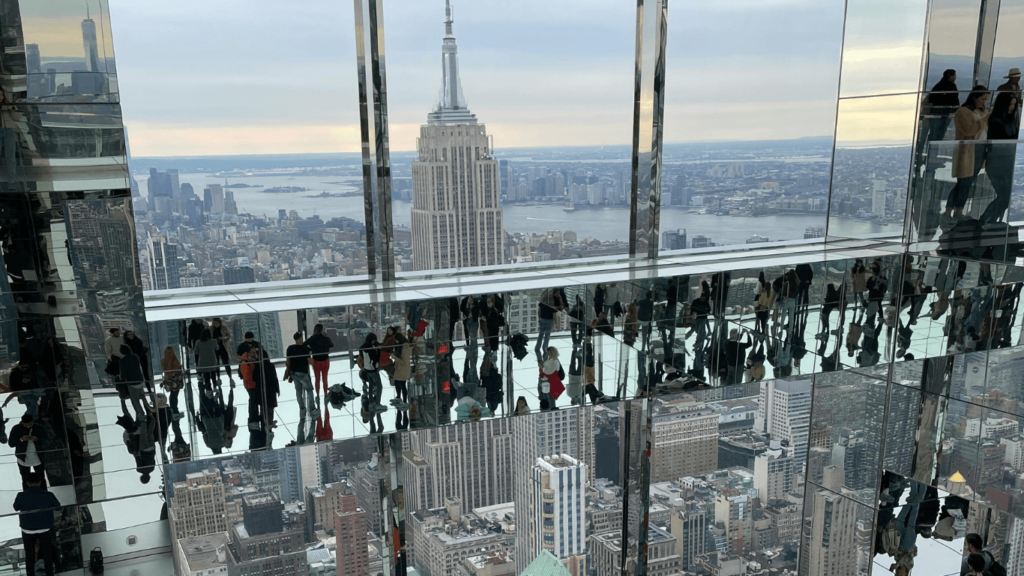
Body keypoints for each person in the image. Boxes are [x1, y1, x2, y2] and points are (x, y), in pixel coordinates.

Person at [945, 86, 992, 219]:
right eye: (982, 99)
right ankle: (954, 210)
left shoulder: (984, 112)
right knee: (963, 182)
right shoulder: (962, 112)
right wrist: (985, 119)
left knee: (968, 181)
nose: (984, 102)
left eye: (985, 100)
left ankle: (955, 210)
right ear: (974, 97)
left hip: (980, 149)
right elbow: (969, 130)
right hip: (967, 150)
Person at [980, 92, 1019, 224]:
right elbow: (1001, 141)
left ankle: (988, 221)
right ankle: (985, 221)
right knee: (1004, 196)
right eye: (1011, 104)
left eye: (1014, 104)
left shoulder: (1011, 119)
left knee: (1006, 197)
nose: (1012, 107)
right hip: (997, 163)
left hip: (1008, 162)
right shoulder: (995, 120)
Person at [13, 472, 60, 576]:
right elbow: (58, 507)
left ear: (27, 483)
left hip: (27, 528)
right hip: (45, 527)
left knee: (29, 555)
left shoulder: (21, 495)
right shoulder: (48, 495)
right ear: (40, 482)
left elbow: (16, 507)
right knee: (48, 554)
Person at [284, 332, 317, 417]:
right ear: (300, 339)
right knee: (309, 390)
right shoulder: (304, 349)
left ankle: (302, 410)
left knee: (298, 391)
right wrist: (316, 365)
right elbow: (310, 361)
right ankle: (312, 409)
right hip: (303, 373)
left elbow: (288, 361)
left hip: (293, 373)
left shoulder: (290, 348)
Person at [10, 414, 45, 489]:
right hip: (22, 459)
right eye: (26, 425)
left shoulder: (39, 428)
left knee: (41, 478)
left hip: (38, 458)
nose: (28, 426)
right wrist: (21, 440)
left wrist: (38, 440)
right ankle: (27, 496)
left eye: (29, 424)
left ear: (33, 421)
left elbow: (48, 441)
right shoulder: (16, 429)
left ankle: (43, 494)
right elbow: (11, 443)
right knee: (25, 479)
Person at [119, 344, 149, 420]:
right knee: (143, 396)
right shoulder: (135, 356)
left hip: (131, 383)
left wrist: (122, 377)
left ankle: (141, 413)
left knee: (135, 400)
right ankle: (149, 410)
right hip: (139, 380)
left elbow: (124, 374)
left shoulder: (122, 360)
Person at [358, 333, 386, 413]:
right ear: (373, 340)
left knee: (370, 386)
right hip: (373, 369)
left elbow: (361, 357)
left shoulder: (361, 347)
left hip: (367, 369)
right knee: (379, 386)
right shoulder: (371, 348)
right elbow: (376, 359)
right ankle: (377, 404)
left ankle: (371, 403)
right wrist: (379, 350)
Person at [306, 324, 335, 397]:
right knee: (325, 378)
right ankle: (325, 394)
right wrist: (326, 336)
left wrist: (311, 349)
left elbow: (304, 345)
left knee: (317, 379)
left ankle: (318, 395)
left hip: (316, 361)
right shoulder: (325, 338)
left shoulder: (312, 338)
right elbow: (332, 345)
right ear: (322, 330)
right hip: (325, 360)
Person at [160, 346, 184, 415]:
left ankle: (173, 409)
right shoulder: (175, 361)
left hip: (168, 381)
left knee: (172, 395)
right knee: (175, 396)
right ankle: (175, 410)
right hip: (175, 381)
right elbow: (178, 373)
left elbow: (165, 372)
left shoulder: (164, 361)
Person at [535, 290, 558, 360]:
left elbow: (539, 311)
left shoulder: (542, 303)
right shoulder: (552, 305)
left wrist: (539, 318)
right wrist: (556, 323)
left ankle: (537, 347)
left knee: (540, 334)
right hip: (549, 321)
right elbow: (554, 315)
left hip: (542, 320)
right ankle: (544, 347)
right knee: (547, 336)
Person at [391, 333, 411, 410]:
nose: (396, 342)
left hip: (403, 369)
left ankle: (405, 401)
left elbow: (404, 362)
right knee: (397, 382)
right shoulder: (402, 346)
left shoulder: (405, 347)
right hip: (400, 369)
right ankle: (399, 397)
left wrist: (394, 357)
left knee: (403, 385)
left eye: (396, 340)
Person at [210, 318, 234, 382]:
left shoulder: (224, 327)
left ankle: (230, 377)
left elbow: (229, 336)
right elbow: (209, 338)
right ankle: (218, 377)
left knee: (226, 363)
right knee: (216, 363)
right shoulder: (210, 328)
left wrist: (223, 338)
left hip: (223, 347)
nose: (216, 325)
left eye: (217, 323)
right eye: (214, 323)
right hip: (215, 348)